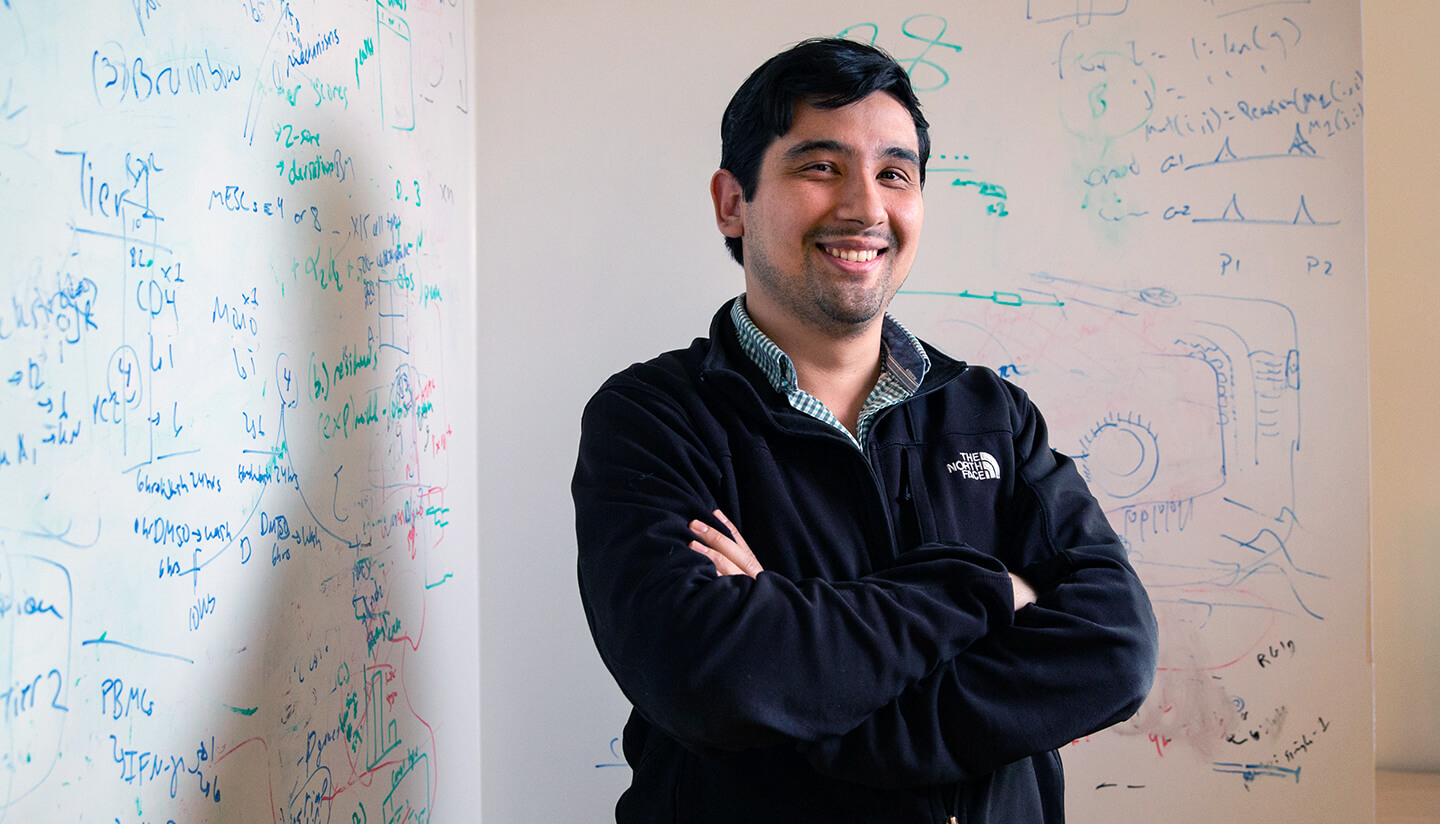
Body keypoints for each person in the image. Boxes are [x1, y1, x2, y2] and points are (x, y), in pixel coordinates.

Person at [572, 37, 1158, 824]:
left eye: (894, 173)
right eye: (820, 166)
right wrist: (988, 592)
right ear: (732, 202)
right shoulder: (652, 420)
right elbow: (713, 678)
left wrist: (835, 714)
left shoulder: (993, 416)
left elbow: (1115, 650)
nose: (865, 207)